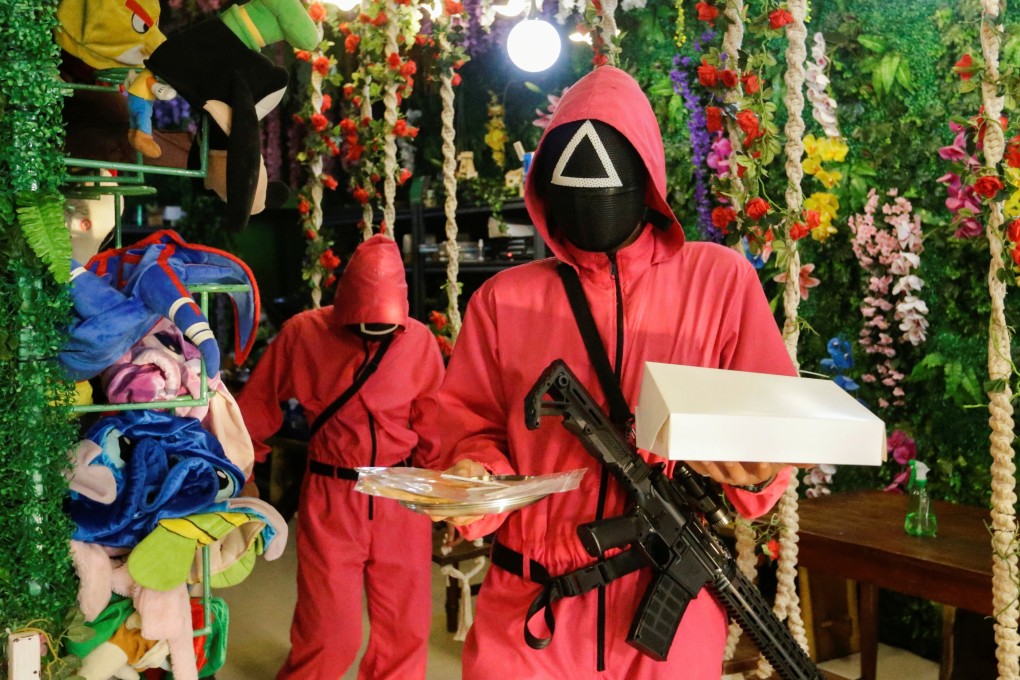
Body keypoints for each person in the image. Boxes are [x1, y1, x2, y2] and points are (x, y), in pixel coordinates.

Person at [434, 65, 798, 679]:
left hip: (668, 610)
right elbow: (470, 427)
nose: (593, 204)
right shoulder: (504, 299)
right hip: (529, 612)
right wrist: (475, 479)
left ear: (648, 182)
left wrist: (759, 472)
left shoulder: (720, 281)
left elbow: (768, 438)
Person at [238, 234, 445, 680]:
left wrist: (442, 497)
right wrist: (244, 472)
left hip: (401, 494)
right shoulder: (304, 333)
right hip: (333, 493)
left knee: (405, 629)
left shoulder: (420, 341)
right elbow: (256, 405)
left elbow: (434, 425)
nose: (372, 335)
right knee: (329, 630)